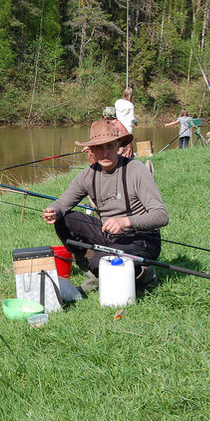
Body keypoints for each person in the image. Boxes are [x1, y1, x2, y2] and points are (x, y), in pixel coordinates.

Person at [42, 121, 168, 294]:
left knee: (100, 262)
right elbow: (63, 203)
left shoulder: (136, 170)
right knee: (66, 219)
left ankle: (145, 274)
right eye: (99, 148)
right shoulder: (88, 174)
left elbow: (161, 216)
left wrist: (126, 222)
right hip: (109, 237)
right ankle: (96, 275)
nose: (105, 153)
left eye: (110, 146)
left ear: (119, 146)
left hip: (142, 239)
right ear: (91, 150)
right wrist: (52, 211)